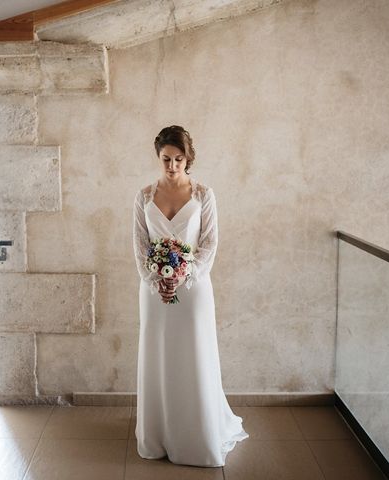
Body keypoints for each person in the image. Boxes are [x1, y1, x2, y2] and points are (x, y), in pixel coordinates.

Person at [132, 125, 249, 467]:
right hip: (154, 292)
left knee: (192, 354)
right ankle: (158, 435)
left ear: (188, 158)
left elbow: (210, 242)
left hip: (194, 288)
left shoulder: (203, 195)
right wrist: (157, 280)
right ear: (158, 157)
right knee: (159, 356)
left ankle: (195, 435)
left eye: (179, 159)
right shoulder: (143, 196)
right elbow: (139, 246)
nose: (172, 166)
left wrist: (184, 273)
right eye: (166, 159)